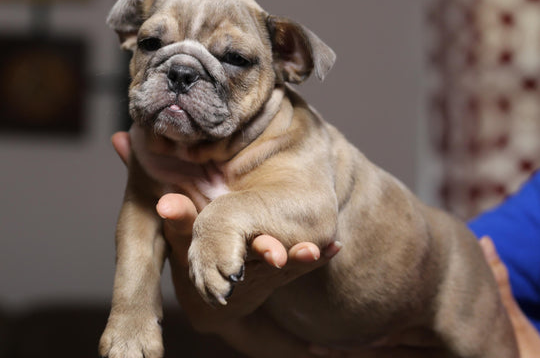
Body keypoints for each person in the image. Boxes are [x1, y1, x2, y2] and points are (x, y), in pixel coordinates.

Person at [111, 131, 540, 357]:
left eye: (235, 58)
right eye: (152, 45)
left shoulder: (293, 136)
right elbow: (216, 319)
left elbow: (317, 215)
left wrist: (521, 342)